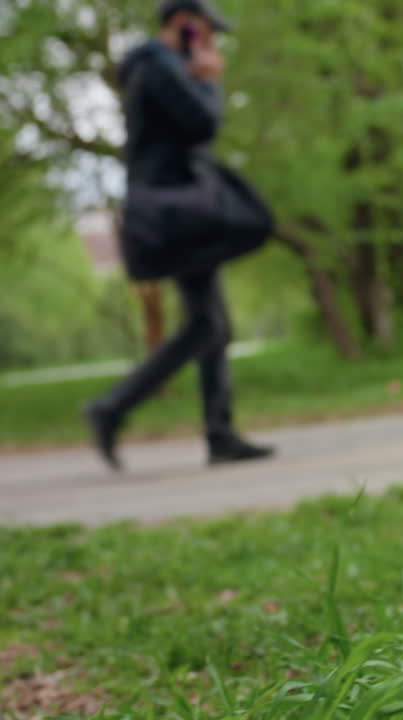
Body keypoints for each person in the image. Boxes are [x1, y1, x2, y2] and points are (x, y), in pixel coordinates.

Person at [85, 0, 273, 471]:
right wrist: (209, 79)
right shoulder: (159, 64)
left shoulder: (158, 65)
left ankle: (219, 431)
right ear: (185, 24)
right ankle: (113, 408)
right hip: (177, 211)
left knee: (211, 321)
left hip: (180, 206)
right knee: (208, 324)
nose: (212, 40)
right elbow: (204, 123)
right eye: (208, 30)